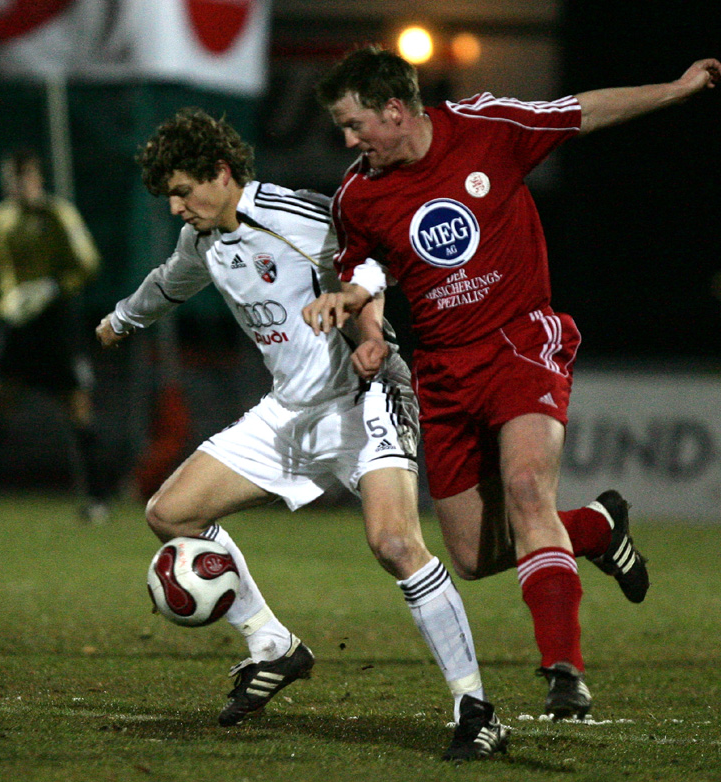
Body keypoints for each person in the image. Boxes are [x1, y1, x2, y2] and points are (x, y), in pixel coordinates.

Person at [304, 46, 721, 720]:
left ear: (394, 111)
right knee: (471, 555)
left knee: (529, 487)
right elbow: (364, 276)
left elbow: (584, 112)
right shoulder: (358, 196)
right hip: (442, 372)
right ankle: (591, 528)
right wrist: (365, 324)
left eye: (354, 125)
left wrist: (676, 89)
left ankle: (565, 670)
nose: (348, 141)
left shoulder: (488, 127)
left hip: (519, 341)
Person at [95, 107, 508, 761]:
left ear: (221, 173)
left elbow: (378, 254)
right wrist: (121, 319)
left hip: (366, 395)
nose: (176, 207)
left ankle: (475, 708)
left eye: (181, 190)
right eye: (168, 196)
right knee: (170, 512)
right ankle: (272, 645)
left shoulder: (291, 215)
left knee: (396, 543)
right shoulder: (202, 242)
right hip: (291, 411)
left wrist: (369, 329)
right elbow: (167, 286)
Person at [0, 148, 109, 521]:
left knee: (77, 409)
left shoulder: (58, 214)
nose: (16, 186)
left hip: (54, 323)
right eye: (10, 179)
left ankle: (98, 498)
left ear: (37, 179)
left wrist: (51, 287)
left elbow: (88, 263)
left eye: (23, 178)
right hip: (14, 325)